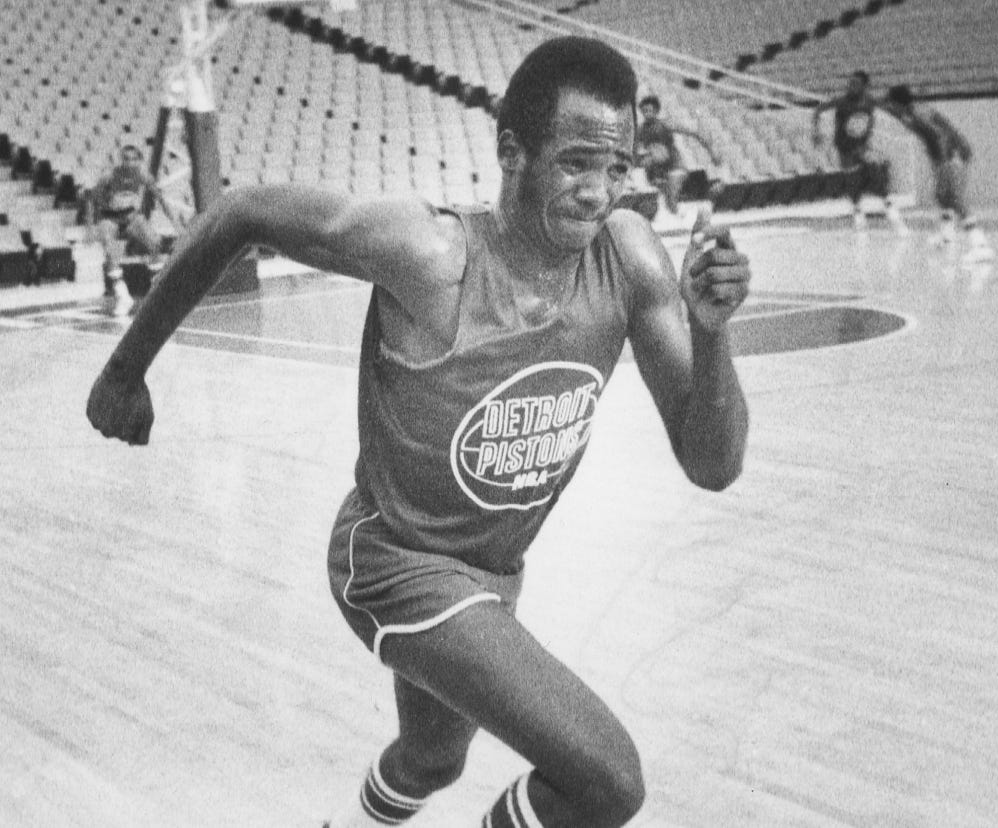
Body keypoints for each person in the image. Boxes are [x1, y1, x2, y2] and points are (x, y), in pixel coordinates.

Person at [86, 36, 751, 828]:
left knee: (432, 759)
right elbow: (242, 211)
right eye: (576, 163)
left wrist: (711, 334)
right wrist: (124, 372)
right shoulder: (431, 253)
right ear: (513, 151)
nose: (598, 192)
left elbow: (712, 466)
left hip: (492, 573)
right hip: (394, 559)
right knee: (607, 781)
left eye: (617, 170)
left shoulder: (630, 259)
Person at [882, 84, 994, 262]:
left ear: (898, 103)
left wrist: (942, 163)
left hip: (951, 154)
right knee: (942, 197)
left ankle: (981, 246)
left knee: (955, 199)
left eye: (891, 103)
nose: (889, 107)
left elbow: (940, 135)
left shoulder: (918, 115)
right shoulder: (910, 112)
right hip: (947, 155)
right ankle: (947, 237)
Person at [811, 70, 908, 233]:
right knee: (852, 183)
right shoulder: (842, 102)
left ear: (864, 86)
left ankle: (892, 211)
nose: (850, 86)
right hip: (844, 147)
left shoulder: (870, 101)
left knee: (876, 176)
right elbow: (818, 110)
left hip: (862, 146)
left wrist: (902, 116)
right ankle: (858, 212)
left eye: (855, 83)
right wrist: (816, 130)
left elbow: (887, 108)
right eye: (850, 82)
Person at [85, 144, 183, 298]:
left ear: (139, 161)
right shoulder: (109, 176)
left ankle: (156, 284)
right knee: (109, 249)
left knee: (155, 242)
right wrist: (89, 228)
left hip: (131, 216)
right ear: (121, 160)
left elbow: (161, 199)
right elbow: (91, 199)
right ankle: (121, 293)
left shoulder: (144, 176)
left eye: (133, 159)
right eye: (125, 159)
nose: (129, 162)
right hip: (110, 217)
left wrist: (175, 223)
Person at [634, 94, 719, 219]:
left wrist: (712, 153)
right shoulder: (641, 130)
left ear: (656, 111)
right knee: (668, 202)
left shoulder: (665, 125)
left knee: (671, 193)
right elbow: (634, 149)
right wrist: (642, 158)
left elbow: (693, 133)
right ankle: (680, 216)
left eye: (650, 110)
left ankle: (681, 219)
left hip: (676, 166)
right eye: (644, 111)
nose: (647, 114)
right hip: (657, 170)